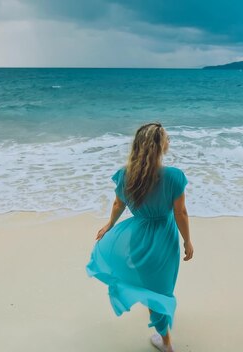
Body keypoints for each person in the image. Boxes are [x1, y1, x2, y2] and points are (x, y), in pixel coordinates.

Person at [86, 122, 193, 352]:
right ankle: (166, 344)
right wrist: (187, 241)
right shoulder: (174, 177)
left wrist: (109, 225)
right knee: (161, 290)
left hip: (138, 236)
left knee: (150, 286)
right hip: (165, 239)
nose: (169, 141)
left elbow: (118, 204)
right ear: (159, 146)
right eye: (167, 138)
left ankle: (160, 327)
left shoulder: (126, 176)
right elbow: (180, 213)